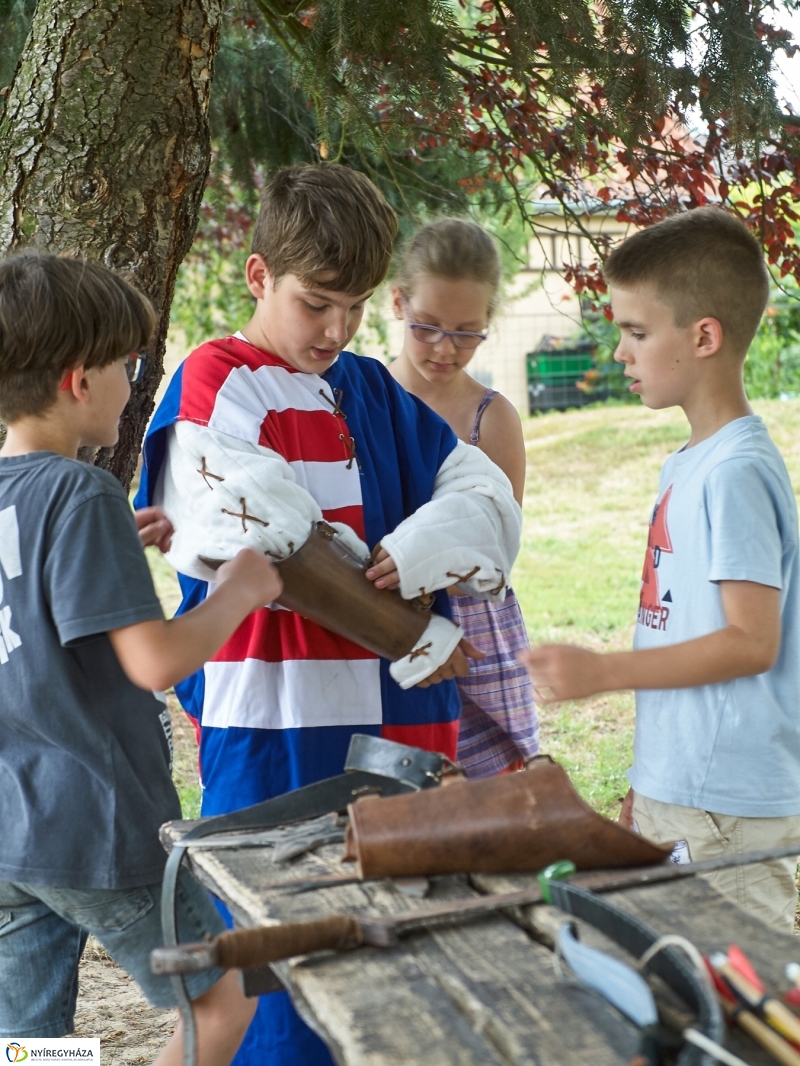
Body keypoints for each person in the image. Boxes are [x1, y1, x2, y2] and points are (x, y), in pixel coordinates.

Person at [135, 164, 521, 1066]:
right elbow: (267, 542)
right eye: (316, 303)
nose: (337, 330)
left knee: (395, 982)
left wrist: (420, 550)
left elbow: (489, 501)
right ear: (259, 275)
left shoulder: (376, 388)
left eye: (353, 307)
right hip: (280, 731)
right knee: (287, 987)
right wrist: (417, 624)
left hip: (403, 734)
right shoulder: (215, 382)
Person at [0, 252, 283, 1064]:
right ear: (78, 379)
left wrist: (110, 547)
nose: (137, 383)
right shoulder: (82, 492)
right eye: (129, 365)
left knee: (25, 1042)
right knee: (220, 1010)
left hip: (13, 833)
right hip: (98, 828)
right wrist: (239, 590)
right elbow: (156, 662)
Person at [520, 206, 800, 932]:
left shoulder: (735, 472)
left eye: (636, 332)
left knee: (746, 1017)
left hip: (727, 807)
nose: (620, 353)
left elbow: (750, 641)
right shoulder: (690, 463)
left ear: (703, 336)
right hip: (684, 794)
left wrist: (604, 673)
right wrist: (647, 788)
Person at [388, 218, 539, 776]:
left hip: (473, 636)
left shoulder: (491, 418)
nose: (445, 349)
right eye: (426, 326)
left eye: (466, 333)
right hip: (377, 622)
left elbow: (498, 546)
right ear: (398, 301)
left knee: (485, 801)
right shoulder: (359, 397)